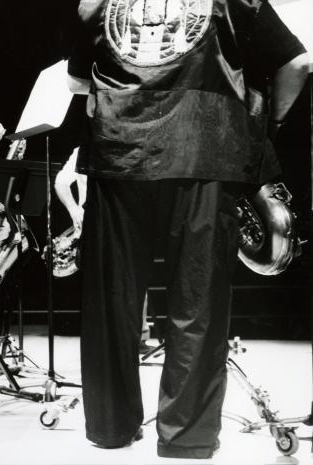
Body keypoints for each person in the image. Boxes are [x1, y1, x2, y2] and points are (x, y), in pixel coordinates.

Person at [67, 0, 308, 458]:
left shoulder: (97, 2)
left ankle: (111, 428)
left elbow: (77, 79)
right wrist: (264, 127)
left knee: (110, 302)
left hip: (119, 155)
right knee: (199, 303)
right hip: (207, 149)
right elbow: (298, 61)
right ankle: (187, 439)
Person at [55, 147, 154, 354]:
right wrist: (74, 210)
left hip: (105, 222)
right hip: (108, 222)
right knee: (130, 280)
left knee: (118, 282)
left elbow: (61, 182)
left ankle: (129, 339)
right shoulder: (85, 149)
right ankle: (133, 340)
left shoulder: (85, 148)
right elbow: (61, 182)